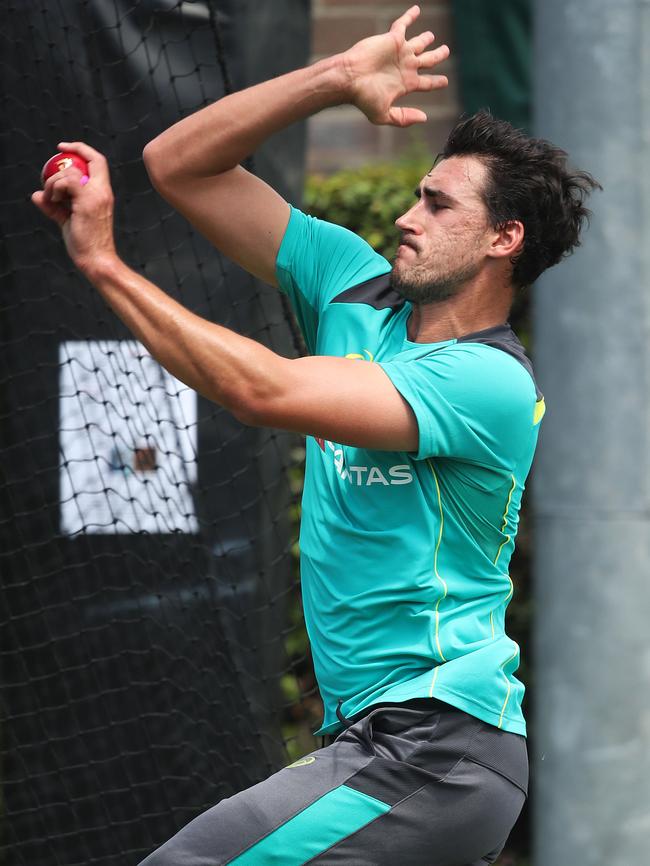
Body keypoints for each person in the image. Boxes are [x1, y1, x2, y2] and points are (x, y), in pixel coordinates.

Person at [32, 5, 599, 864]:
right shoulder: (350, 286)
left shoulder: (489, 384)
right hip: (388, 745)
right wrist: (334, 81)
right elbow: (177, 165)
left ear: (503, 239)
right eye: (414, 194)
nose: (409, 215)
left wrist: (105, 265)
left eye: (438, 204)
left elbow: (260, 389)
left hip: (433, 749)